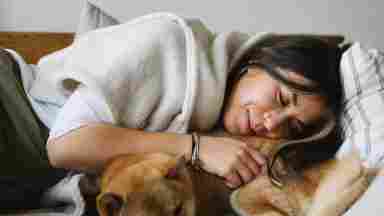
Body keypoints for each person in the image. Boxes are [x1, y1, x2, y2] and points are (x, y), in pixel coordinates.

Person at [0, 28, 343, 209]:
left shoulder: (221, 123)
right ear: (259, 60)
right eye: (281, 97)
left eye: (292, 125)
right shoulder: (169, 44)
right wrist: (195, 147)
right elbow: (65, 146)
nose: (271, 124)